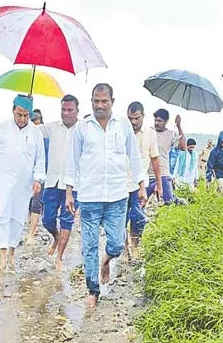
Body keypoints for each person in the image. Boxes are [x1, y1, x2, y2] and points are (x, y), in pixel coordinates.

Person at [65, 84, 146, 308]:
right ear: (91, 101)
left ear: (112, 101)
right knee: (89, 246)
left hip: (117, 196)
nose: (100, 105)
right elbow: (72, 161)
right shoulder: (82, 128)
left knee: (117, 244)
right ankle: (93, 290)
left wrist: (141, 185)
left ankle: (107, 260)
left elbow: (135, 157)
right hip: (89, 197)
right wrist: (69, 191)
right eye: (96, 101)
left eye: (104, 101)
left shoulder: (123, 126)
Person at [0, 95, 45, 273]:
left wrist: (38, 179)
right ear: (13, 111)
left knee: (17, 219)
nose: (22, 119)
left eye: (25, 115)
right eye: (19, 114)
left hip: (24, 185)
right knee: (2, 217)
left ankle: (12, 253)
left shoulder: (36, 132)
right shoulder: (2, 127)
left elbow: (40, 159)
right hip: (3, 181)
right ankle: (2, 259)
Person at [38, 95, 81, 271]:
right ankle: (55, 237)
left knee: (66, 220)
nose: (66, 113)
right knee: (47, 219)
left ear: (77, 110)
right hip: (52, 181)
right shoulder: (53, 127)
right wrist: (29, 104)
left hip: (74, 183)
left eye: (70, 110)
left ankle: (59, 257)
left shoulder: (83, 130)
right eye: (63, 109)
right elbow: (33, 130)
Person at [126, 101, 160, 253]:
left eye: (136, 118)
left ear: (143, 116)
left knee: (138, 217)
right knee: (120, 220)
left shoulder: (150, 134)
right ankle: (125, 250)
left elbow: (155, 158)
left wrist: (159, 183)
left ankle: (135, 247)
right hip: (121, 184)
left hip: (141, 185)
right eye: (130, 118)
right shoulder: (122, 131)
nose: (133, 122)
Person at [149, 109, 185, 204]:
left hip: (163, 173)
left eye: (159, 121)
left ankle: (177, 200)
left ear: (166, 122)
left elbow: (183, 147)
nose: (156, 123)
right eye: (155, 120)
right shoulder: (149, 131)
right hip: (148, 174)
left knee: (168, 202)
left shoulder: (171, 134)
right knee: (143, 202)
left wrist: (179, 126)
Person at [26, 108, 48, 243]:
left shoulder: (45, 138)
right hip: (26, 174)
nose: (35, 123)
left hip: (41, 174)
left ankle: (31, 233)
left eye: (37, 120)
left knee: (36, 201)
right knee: (28, 201)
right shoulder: (26, 136)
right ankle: (30, 224)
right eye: (32, 121)